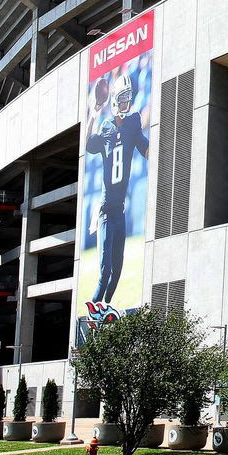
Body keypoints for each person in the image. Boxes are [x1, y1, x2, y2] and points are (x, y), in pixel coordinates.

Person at [82, 72, 147, 305]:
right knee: (105, 272)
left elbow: (146, 148)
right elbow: (88, 144)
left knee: (117, 272)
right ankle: (93, 312)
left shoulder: (133, 123)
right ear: (114, 100)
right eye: (122, 98)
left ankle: (104, 308)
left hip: (120, 211)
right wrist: (93, 112)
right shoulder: (106, 128)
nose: (125, 103)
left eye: (128, 98)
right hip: (106, 212)